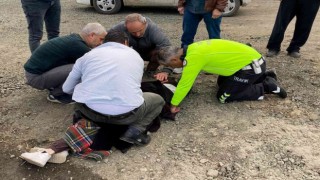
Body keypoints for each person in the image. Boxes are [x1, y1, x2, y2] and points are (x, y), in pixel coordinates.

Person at [19, 30, 165, 168]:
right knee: (158, 99)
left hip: (89, 112)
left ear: (104, 42)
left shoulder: (86, 57)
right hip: (125, 116)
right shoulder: (136, 57)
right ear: (126, 43)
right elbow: (133, 86)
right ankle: (134, 131)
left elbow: (67, 89)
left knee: (84, 102)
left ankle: (54, 149)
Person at [156, 39, 288, 113]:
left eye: (172, 66)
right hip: (252, 61)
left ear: (174, 60)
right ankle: (264, 76)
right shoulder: (191, 48)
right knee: (221, 84)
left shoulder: (192, 58)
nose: (174, 68)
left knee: (223, 97)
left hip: (250, 67)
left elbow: (185, 83)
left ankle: (265, 86)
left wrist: (173, 104)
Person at [24, 23, 107, 104]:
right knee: (80, 68)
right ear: (92, 35)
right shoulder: (77, 45)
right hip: (36, 78)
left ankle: (54, 85)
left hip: (35, 73)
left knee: (78, 66)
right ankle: (57, 95)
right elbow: (98, 64)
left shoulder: (75, 40)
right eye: (101, 39)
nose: (101, 43)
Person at [109, 13, 172, 82]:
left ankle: (150, 71)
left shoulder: (153, 29)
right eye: (133, 32)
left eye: (140, 30)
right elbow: (106, 40)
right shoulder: (120, 27)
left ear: (145, 24)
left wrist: (166, 71)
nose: (138, 34)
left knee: (159, 52)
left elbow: (168, 49)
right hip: (131, 53)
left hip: (150, 53)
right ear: (126, 27)